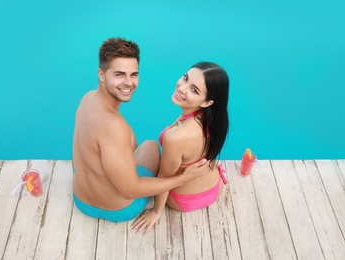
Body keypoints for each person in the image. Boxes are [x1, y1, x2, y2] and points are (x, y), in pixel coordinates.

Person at [72, 38, 209, 222]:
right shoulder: (113, 126)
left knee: (123, 146)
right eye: (119, 74)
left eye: (133, 74)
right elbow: (130, 190)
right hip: (118, 209)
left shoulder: (87, 98)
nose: (128, 83)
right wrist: (183, 179)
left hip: (80, 199)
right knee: (151, 146)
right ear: (101, 74)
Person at [132, 62, 229, 235]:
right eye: (185, 78)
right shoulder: (214, 121)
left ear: (207, 102)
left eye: (194, 90)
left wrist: (155, 212)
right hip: (215, 187)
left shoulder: (176, 137)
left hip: (182, 200)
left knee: (148, 148)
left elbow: (165, 177)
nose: (182, 88)